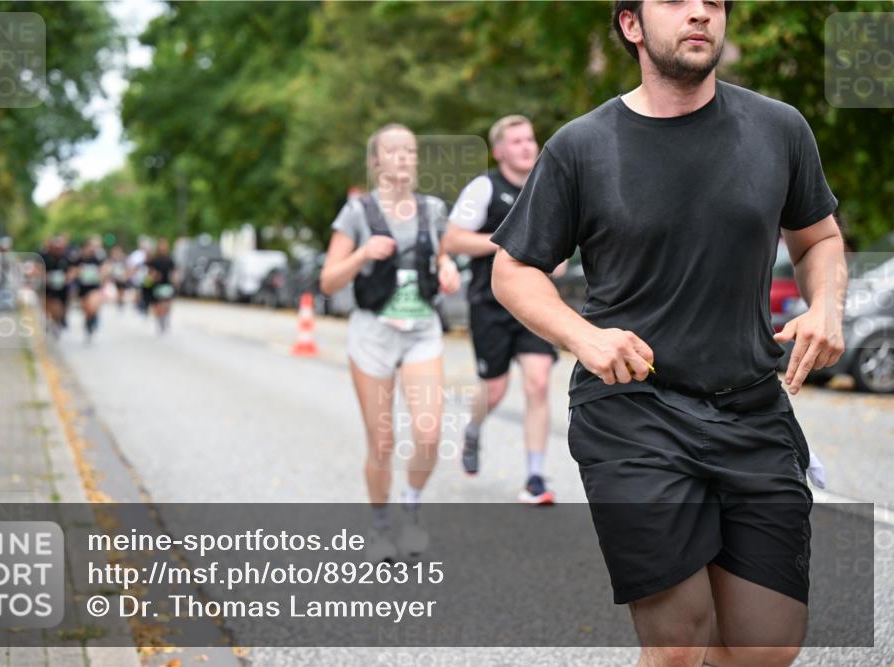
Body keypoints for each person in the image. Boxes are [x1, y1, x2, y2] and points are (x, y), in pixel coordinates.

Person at [489, 1, 846, 665]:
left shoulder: (778, 129)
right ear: (631, 25)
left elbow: (818, 237)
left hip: (751, 408)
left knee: (766, 646)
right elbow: (513, 270)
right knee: (679, 641)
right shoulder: (582, 146)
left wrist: (828, 304)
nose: (700, 13)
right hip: (632, 410)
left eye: (713, 3)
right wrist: (584, 336)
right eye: (679, 1)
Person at [320, 123, 460, 560]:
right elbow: (327, 281)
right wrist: (362, 254)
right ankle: (381, 527)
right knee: (381, 441)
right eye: (393, 151)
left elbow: (442, 256)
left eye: (410, 151)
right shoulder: (358, 213)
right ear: (376, 161)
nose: (403, 158)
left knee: (429, 432)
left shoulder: (433, 209)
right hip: (374, 332)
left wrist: (449, 268)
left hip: (421, 330)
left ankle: (410, 505)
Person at [443, 115, 563, 504]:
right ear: (498, 151)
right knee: (494, 390)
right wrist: (509, 245)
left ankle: (535, 477)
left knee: (539, 382)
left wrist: (552, 256)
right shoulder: (485, 187)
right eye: (516, 141)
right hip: (490, 303)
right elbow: (453, 239)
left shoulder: (546, 187)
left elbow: (557, 257)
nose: (527, 146)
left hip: (536, 301)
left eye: (530, 139)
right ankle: (474, 427)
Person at [73, 235, 108, 343]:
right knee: (86, 310)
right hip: (82, 288)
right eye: (90, 246)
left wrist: (102, 275)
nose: (92, 248)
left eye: (95, 246)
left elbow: (105, 270)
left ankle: (93, 319)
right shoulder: (78, 258)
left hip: (94, 287)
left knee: (92, 306)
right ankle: (89, 322)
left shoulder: (99, 258)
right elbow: (72, 271)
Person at [40, 236, 72, 338]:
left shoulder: (66, 257)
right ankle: (52, 321)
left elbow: (72, 269)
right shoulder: (45, 257)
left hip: (62, 288)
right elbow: (38, 268)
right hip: (49, 287)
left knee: (61, 305)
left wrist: (68, 277)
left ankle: (59, 320)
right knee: (50, 305)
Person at [146, 238, 176, 333]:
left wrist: (174, 278)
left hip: (167, 284)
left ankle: (166, 317)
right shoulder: (155, 260)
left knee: (167, 303)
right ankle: (160, 321)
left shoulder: (169, 259)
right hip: (158, 285)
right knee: (158, 305)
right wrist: (154, 276)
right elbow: (150, 272)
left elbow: (173, 271)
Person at [108, 245, 130, 309]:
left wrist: (124, 277)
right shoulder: (110, 261)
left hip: (121, 280)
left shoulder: (123, 261)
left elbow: (127, 270)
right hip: (113, 281)